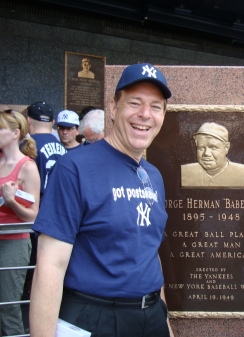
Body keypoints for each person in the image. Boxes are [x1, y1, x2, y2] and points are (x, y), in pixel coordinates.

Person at [30, 63, 174, 337]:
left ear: (163, 115)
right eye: (135, 102)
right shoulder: (74, 168)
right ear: (113, 106)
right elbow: (50, 265)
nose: (145, 114)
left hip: (151, 316)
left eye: (156, 106)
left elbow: (150, 253)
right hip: (96, 319)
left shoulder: (154, 176)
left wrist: (164, 324)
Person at [0, 110, 40, 336]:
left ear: (16, 133)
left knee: (7, 306)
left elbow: (34, 215)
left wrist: (11, 201)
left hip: (13, 242)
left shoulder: (27, 166)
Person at [181, 122, 244, 188]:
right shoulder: (185, 172)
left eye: (213, 147)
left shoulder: (242, 173)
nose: (206, 153)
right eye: (201, 148)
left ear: (226, 148)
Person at [25, 101, 67, 197]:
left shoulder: (26, 146)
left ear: (28, 120)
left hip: (35, 205)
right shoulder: (63, 148)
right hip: (57, 205)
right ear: (53, 122)